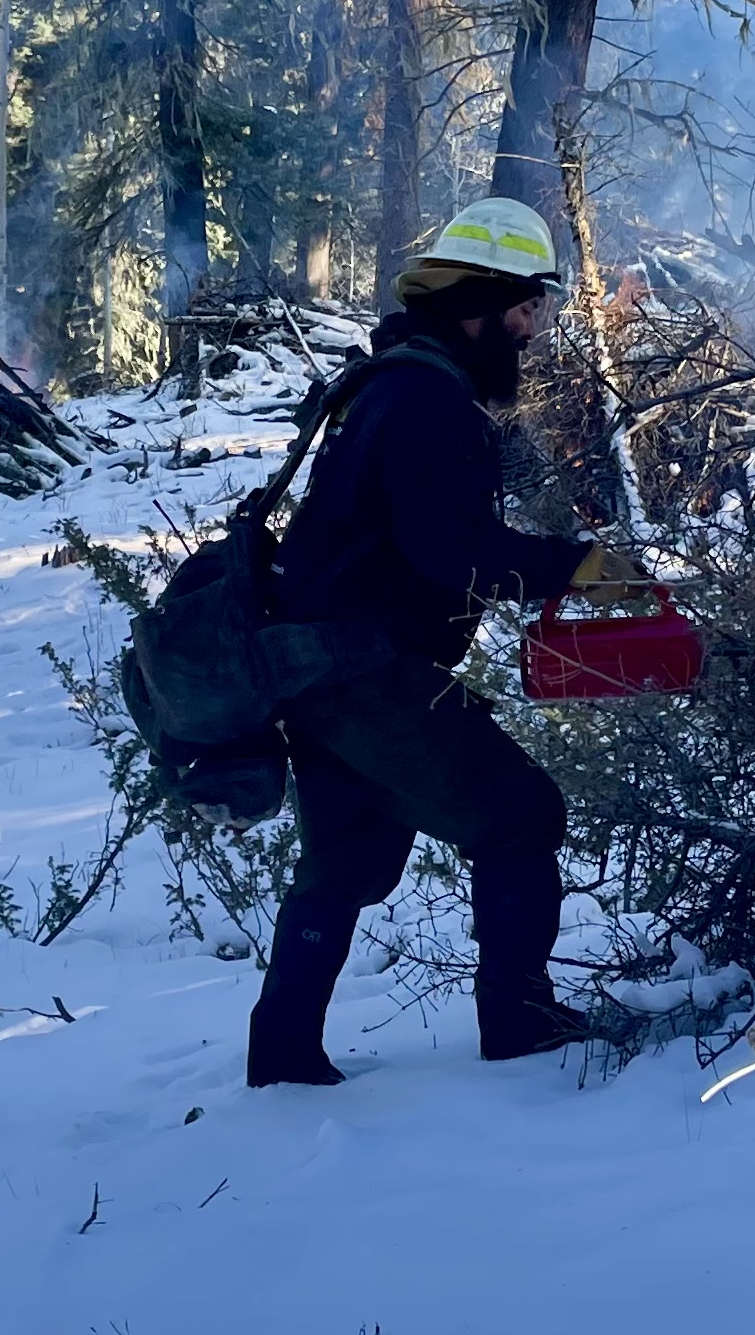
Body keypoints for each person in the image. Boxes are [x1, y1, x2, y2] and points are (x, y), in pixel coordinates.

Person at [246, 198, 641, 1087]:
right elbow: (448, 551)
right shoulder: (426, 399)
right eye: (529, 308)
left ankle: (281, 1056)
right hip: (364, 672)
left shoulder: (392, 383)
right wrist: (576, 567)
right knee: (520, 815)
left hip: (317, 669)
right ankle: (521, 1024)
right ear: (486, 300)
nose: (535, 331)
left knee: (347, 858)